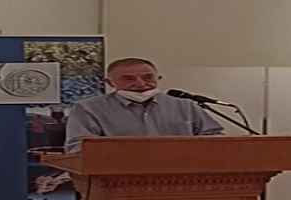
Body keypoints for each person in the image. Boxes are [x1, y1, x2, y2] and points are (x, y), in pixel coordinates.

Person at [64, 57, 223, 151]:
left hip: (185, 178)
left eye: (148, 77)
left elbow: (215, 139)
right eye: (129, 79)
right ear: (110, 83)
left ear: (158, 78)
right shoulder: (89, 109)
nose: (140, 83)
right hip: (118, 182)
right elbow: (79, 147)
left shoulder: (185, 106)